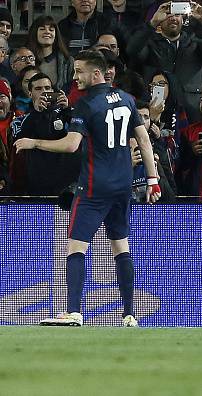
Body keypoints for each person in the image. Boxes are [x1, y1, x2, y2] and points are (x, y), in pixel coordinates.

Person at [14, 50, 161, 327]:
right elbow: (143, 138)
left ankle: (73, 311)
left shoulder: (86, 104)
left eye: (79, 71)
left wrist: (33, 142)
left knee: (76, 247)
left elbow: (71, 145)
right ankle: (129, 314)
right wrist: (153, 180)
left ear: (96, 73)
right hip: (122, 184)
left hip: (95, 184)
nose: (75, 77)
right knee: (121, 245)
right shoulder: (128, 100)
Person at [26, 15, 74, 93]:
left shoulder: (67, 61)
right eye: (42, 29)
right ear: (35, 33)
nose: (47, 32)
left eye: (51, 30)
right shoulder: (26, 60)